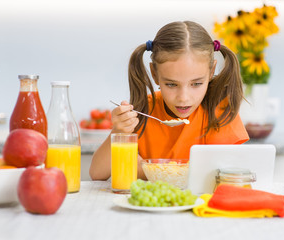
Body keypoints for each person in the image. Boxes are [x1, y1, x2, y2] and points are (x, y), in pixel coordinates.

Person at [89, 21, 249, 180]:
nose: (183, 97)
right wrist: (119, 132)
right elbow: (97, 173)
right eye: (171, 84)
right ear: (154, 74)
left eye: (196, 84)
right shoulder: (144, 110)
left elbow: (226, 174)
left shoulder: (221, 111)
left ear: (212, 70)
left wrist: (143, 168)